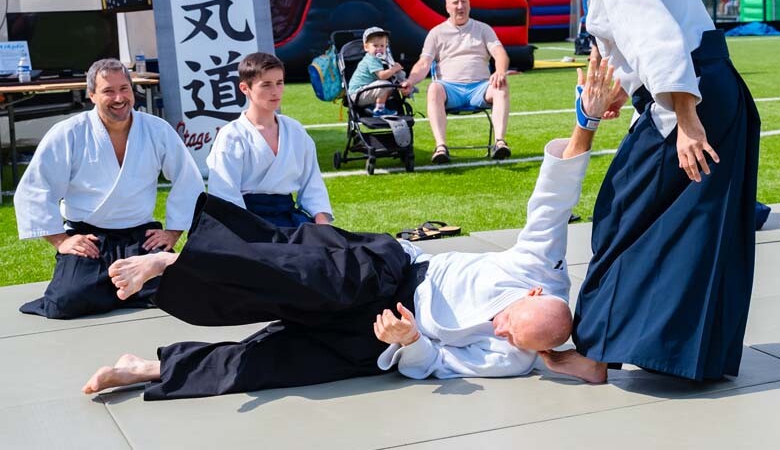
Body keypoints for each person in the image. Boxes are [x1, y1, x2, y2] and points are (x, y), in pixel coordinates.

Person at [81, 54, 620, 400]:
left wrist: (410, 341)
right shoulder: (537, 267)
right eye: (508, 323)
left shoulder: (513, 356)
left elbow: (436, 365)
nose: (500, 332)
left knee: (288, 361)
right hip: (393, 269)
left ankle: (149, 368)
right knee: (305, 276)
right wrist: (586, 124)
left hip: (391, 331)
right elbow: (553, 201)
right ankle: (177, 261)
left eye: (514, 340)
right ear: (532, 293)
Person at [525, 0, 760, 384]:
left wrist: (687, 122)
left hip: (689, 101)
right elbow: (658, 36)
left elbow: (660, 40)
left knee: (619, 211)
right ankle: (697, 354)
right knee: (699, 222)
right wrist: (626, 91)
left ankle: (596, 355)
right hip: (712, 91)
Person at [14, 58, 204, 319]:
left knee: (188, 291)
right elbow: (35, 187)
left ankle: (111, 289)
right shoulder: (69, 132)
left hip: (141, 237)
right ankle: (131, 289)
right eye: (108, 91)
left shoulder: (156, 129)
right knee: (65, 302)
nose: (119, 98)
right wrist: (61, 240)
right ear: (91, 95)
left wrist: (172, 232)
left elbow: (187, 179)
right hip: (90, 239)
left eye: (124, 88)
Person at [206, 52, 333, 229]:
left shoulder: (294, 130)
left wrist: (322, 222)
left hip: (289, 218)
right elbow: (225, 194)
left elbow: (312, 183)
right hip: (245, 221)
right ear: (245, 88)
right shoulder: (232, 136)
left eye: (279, 83)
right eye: (266, 85)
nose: (275, 92)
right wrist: (248, 232)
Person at [401, 0, 512, 164]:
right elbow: (424, 63)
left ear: (469, 5)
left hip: (480, 88)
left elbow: (500, 54)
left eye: (464, 2)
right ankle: (441, 147)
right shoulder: (436, 33)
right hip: (449, 89)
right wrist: (410, 81)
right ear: (447, 7)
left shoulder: (483, 29)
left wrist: (500, 72)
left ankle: (500, 142)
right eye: (455, 3)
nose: (460, 6)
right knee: (433, 88)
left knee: (501, 86)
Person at [347, 27, 405, 117]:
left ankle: (374, 106)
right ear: (366, 47)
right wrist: (394, 69)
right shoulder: (371, 59)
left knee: (389, 87)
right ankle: (379, 110)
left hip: (362, 92)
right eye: (375, 46)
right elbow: (382, 76)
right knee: (385, 85)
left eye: (382, 46)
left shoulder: (378, 59)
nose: (379, 48)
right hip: (357, 94)